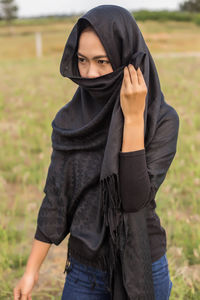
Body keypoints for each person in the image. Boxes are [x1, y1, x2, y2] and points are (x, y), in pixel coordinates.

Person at [13, 5, 179, 300]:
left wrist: (132, 119)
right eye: (82, 60)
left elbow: (133, 199)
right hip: (84, 271)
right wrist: (31, 270)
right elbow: (56, 199)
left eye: (103, 61)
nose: (90, 74)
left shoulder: (160, 120)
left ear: (127, 59)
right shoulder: (70, 121)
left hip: (144, 266)